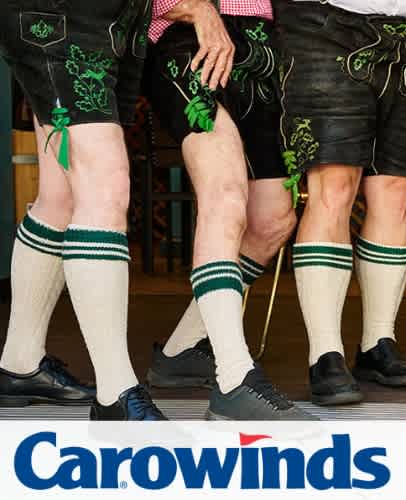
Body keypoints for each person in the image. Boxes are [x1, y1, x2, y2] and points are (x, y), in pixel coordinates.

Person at [275, 0, 406, 405]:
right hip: (326, 26)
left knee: (396, 188)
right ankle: (325, 355)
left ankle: (377, 343)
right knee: (334, 185)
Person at [138, 0, 312, 420]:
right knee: (225, 192)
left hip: (260, 40)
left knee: (272, 220)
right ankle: (234, 379)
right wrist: (194, 8)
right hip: (187, 35)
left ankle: (179, 351)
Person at [0, 0, 165, 419]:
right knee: (105, 188)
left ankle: (20, 362)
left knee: (63, 196)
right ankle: (116, 394)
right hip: (61, 15)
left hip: (113, 19)